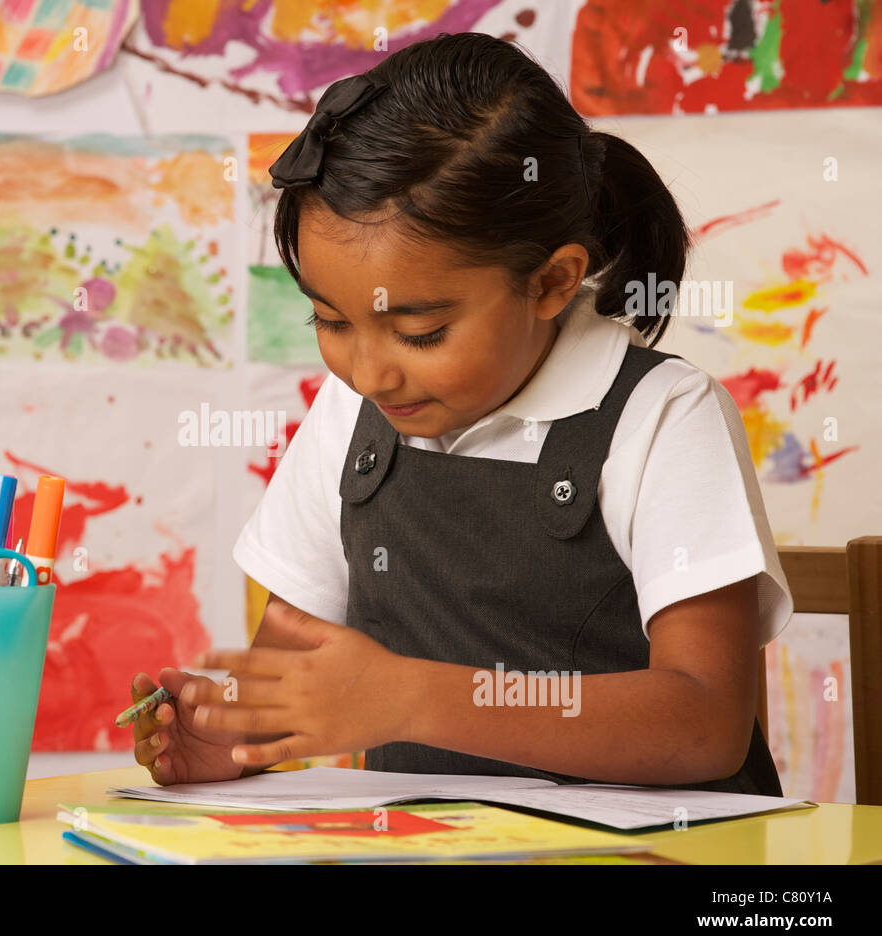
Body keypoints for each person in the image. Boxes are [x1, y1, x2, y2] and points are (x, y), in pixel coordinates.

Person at [130, 32, 791, 795]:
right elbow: (292, 678)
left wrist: (414, 697)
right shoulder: (352, 416)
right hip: (431, 843)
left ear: (551, 282)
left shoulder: (661, 415)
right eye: (331, 320)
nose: (369, 372)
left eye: (421, 332)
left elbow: (704, 723)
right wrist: (233, 738)